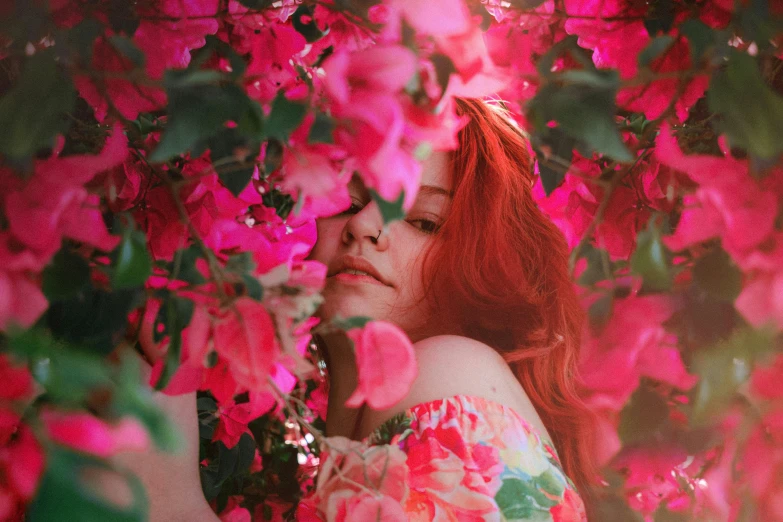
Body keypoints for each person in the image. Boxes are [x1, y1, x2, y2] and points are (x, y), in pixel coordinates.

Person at [120, 98, 598, 521]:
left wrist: (170, 499)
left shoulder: (454, 366)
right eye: (345, 203)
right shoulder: (334, 472)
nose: (364, 225)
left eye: (424, 222)